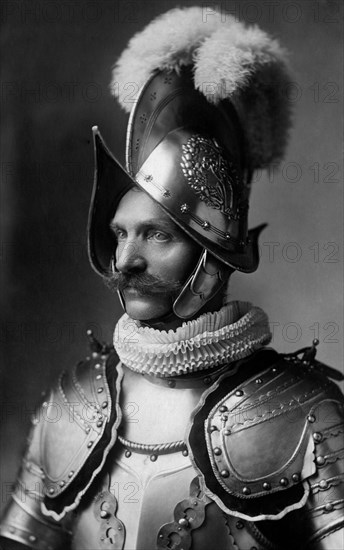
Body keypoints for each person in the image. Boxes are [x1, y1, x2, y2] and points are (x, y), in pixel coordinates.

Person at [1, 7, 343, 550]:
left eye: (158, 235)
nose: (126, 260)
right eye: (120, 233)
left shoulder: (308, 411)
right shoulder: (72, 404)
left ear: (212, 255)